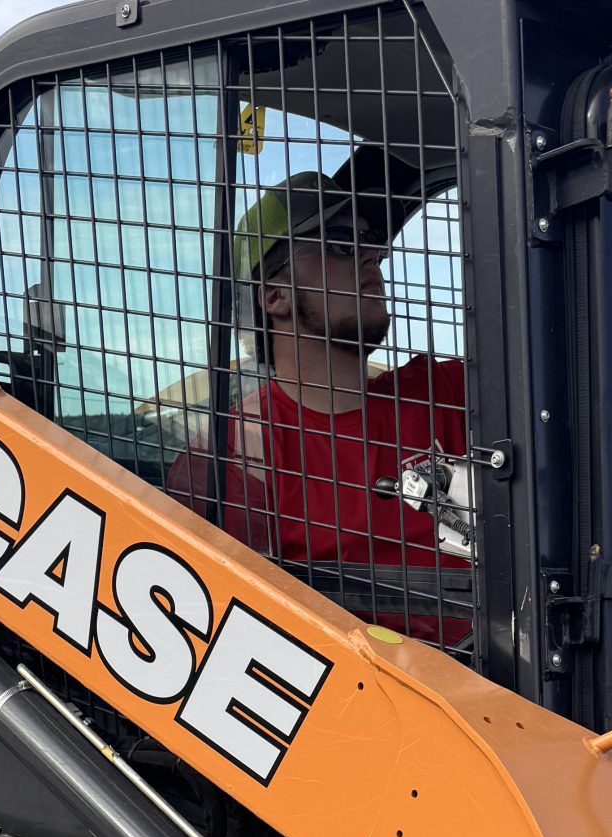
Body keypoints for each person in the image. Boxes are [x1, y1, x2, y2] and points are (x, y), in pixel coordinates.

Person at [165, 169, 472, 632]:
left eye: (371, 243)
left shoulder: (445, 393)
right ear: (275, 294)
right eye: (343, 245)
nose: (375, 256)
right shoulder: (231, 460)